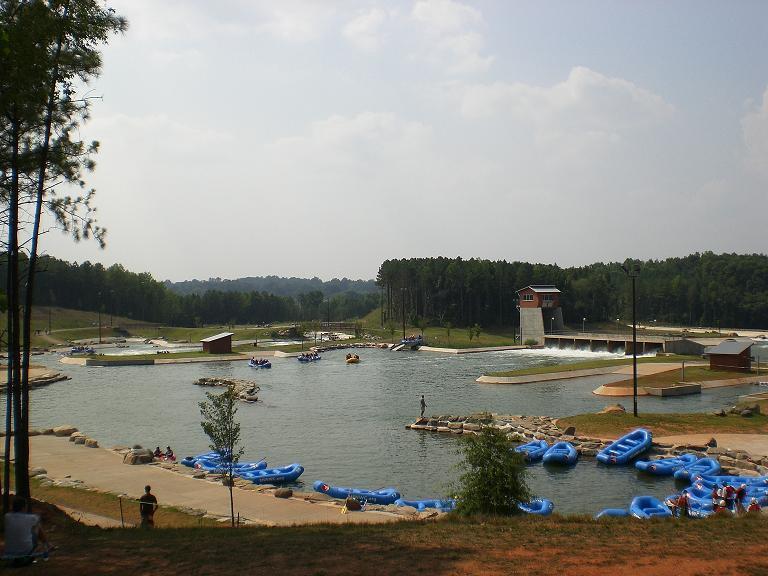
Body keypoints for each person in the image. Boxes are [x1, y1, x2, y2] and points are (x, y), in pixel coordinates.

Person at [3, 497, 50, 562]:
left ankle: (47, 545)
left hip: (10, 551)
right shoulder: (31, 517)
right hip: (26, 550)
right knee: (37, 526)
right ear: (23, 507)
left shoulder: (7, 517)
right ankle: (47, 545)